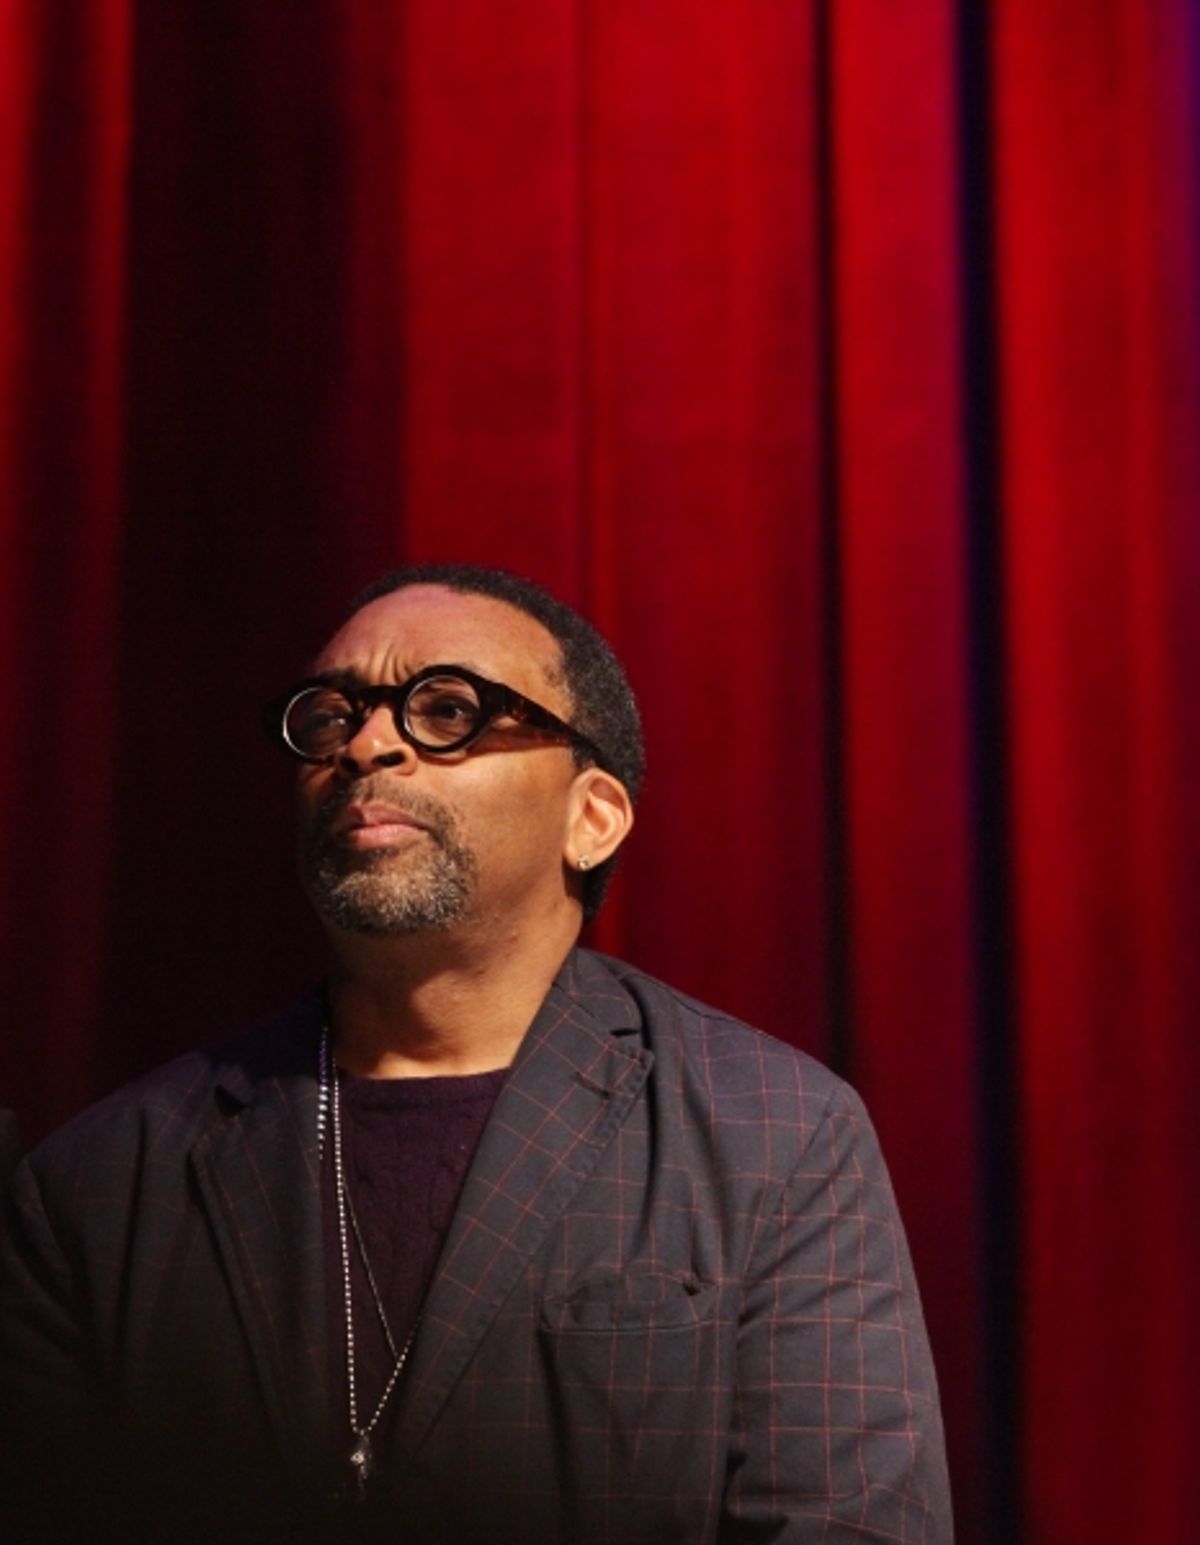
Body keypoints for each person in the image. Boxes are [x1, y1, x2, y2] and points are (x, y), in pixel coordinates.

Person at [1, 564, 952, 1543]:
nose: (368, 745)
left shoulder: (777, 1132)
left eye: (445, 709)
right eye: (330, 718)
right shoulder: (105, 1180)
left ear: (591, 818)